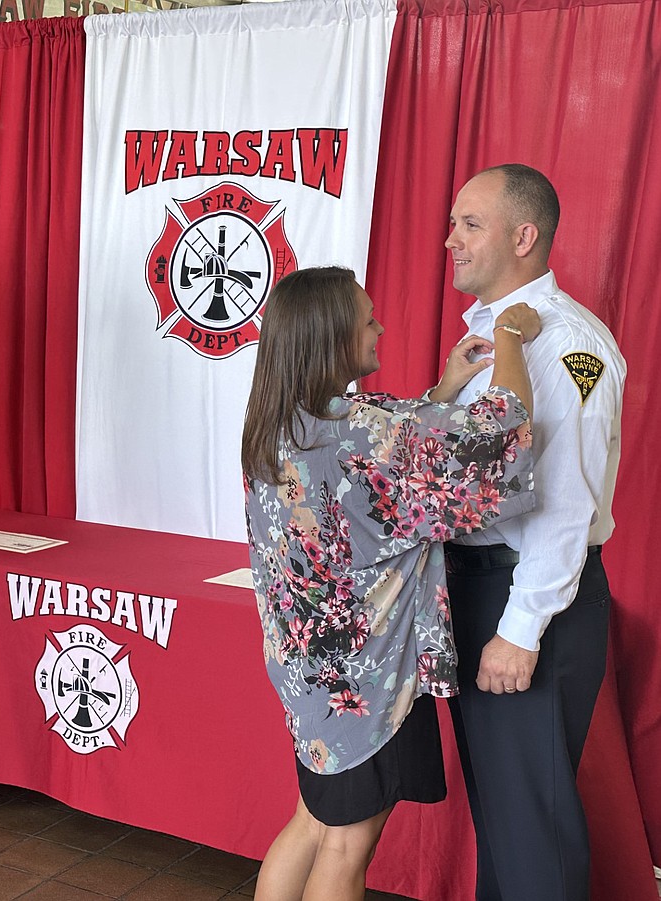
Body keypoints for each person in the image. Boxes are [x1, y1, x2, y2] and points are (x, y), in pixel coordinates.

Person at [242, 266, 541, 901]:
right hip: (367, 683)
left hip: (308, 674)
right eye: (367, 319)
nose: (380, 327)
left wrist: (445, 386)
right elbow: (500, 434)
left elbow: (385, 449)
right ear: (332, 339)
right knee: (347, 845)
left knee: (311, 820)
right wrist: (512, 337)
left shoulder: (282, 420)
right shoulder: (364, 434)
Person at [438, 164, 626, 901]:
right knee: (507, 824)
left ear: (524, 235)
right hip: (478, 586)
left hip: (531, 598)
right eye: (453, 223)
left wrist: (520, 628)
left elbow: (565, 504)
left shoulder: (570, 346)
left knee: (532, 831)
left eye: (469, 224)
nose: (450, 239)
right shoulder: (489, 337)